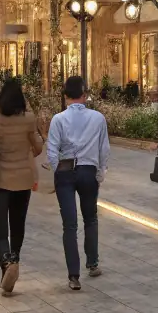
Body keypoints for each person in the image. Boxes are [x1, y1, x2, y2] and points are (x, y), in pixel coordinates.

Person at [0, 77, 44, 295]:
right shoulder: (29, 119)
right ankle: (15, 257)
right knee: (18, 224)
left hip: (0, 179)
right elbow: (37, 147)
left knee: (0, 230)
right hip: (23, 179)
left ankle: (7, 264)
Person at [46, 76, 109, 291]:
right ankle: (92, 263)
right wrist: (100, 173)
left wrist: (58, 172)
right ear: (85, 95)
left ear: (65, 97)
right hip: (88, 172)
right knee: (90, 218)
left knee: (70, 224)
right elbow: (104, 150)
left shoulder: (58, 119)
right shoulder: (98, 118)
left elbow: (52, 152)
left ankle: (74, 276)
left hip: (65, 171)